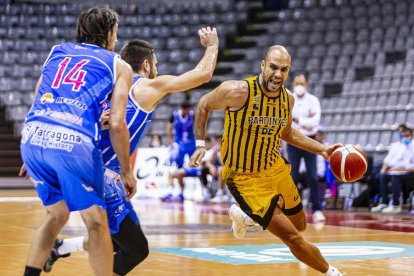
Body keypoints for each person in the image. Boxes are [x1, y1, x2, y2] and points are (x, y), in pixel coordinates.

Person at [43, 27, 219, 274]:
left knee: (118, 239)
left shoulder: (107, 88)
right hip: (101, 175)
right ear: (146, 65)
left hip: (84, 168)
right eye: (155, 63)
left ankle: (60, 247)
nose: (156, 68)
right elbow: (203, 74)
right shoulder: (144, 87)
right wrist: (211, 45)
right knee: (137, 249)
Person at [189, 45, 343, 275]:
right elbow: (204, 104)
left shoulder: (288, 100)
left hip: (275, 169)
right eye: (273, 67)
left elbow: (287, 133)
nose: (278, 74)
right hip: (244, 178)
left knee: (300, 225)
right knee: (292, 237)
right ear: (263, 65)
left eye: (284, 69)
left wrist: (322, 149)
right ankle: (331, 272)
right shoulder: (239, 91)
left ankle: (245, 216)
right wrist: (200, 144)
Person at [18, 7, 136, 276]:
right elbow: (117, 123)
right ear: (108, 33)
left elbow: (38, 97)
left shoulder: (56, 51)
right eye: (115, 33)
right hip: (73, 142)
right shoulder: (119, 65)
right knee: (96, 221)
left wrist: (33, 150)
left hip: (34, 136)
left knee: (56, 214)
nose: (116, 39)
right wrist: (126, 171)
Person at [286, 74, 325, 222]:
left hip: (309, 140)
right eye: (297, 83)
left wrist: (298, 120)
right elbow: (286, 120)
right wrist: (305, 121)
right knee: (292, 176)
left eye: (301, 83)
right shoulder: (289, 99)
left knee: (313, 176)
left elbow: (315, 121)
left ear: (306, 84)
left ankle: (317, 209)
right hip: (293, 140)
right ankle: (290, 209)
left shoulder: (313, 100)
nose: (299, 85)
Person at [371, 123, 414, 214]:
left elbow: (408, 165)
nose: (404, 136)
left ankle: (396, 205)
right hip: (398, 171)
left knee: (395, 176)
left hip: (410, 172)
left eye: (406, 134)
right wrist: (384, 169)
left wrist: (403, 169)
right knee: (383, 176)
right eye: (402, 134)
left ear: (411, 133)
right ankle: (384, 202)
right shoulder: (397, 145)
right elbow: (388, 160)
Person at [162, 102, 196, 200]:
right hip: (179, 145)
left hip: (191, 144)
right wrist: (170, 141)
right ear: (183, 109)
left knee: (192, 166)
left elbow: (198, 125)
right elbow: (168, 127)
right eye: (186, 110)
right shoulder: (174, 115)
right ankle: (175, 192)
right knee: (177, 169)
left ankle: (186, 192)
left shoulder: (192, 115)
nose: (188, 111)